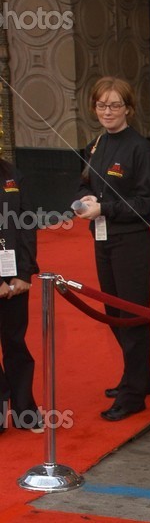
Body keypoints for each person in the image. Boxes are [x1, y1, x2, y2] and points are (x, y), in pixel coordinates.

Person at [73, 77, 150, 420]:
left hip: (132, 242)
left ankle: (133, 394)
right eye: (101, 105)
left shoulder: (141, 149)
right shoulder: (97, 143)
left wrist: (105, 208)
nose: (107, 111)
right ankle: (139, 377)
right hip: (103, 238)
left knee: (131, 316)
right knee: (114, 315)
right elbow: (83, 182)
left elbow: (148, 201)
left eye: (114, 105)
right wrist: (81, 202)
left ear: (129, 108)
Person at [0, 157, 40, 433]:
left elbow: (27, 225)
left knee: (15, 343)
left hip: (15, 276)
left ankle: (25, 410)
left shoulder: (12, 173)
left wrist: (24, 273)